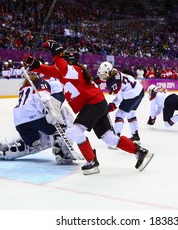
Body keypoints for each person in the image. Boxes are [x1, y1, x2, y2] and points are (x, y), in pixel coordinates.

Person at [23, 40, 154, 175]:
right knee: (108, 137)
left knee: (74, 131)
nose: (57, 64)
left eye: (60, 60)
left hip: (93, 104)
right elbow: (48, 70)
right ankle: (140, 152)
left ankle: (91, 161)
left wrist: (55, 50)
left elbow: (61, 68)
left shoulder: (74, 70)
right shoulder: (65, 72)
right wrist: (34, 64)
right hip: (97, 103)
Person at [0, 71, 76, 164]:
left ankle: (7, 147)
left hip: (20, 123)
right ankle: (63, 152)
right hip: (35, 118)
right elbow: (42, 99)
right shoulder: (41, 83)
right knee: (64, 112)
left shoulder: (23, 86)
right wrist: (49, 113)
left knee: (35, 145)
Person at [96, 61, 144, 144]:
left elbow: (120, 98)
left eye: (104, 74)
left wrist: (111, 106)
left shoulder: (113, 81)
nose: (102, 76)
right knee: (130, 114)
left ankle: (116, 138)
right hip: (140, 91)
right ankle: (135, 136)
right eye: (101, 74)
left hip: (132, 94)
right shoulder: (113, 72)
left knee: (119, 114)